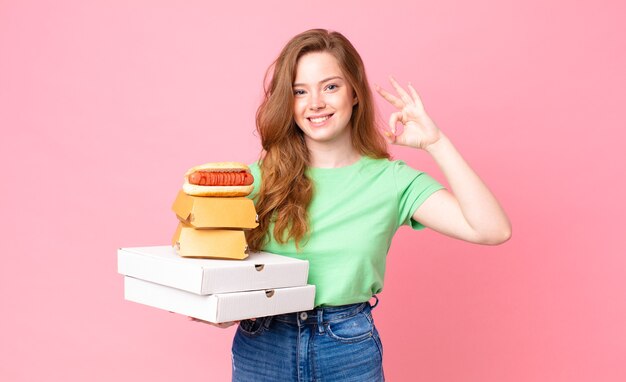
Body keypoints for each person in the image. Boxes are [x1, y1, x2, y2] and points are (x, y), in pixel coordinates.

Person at [193, 28, 511, 382]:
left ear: (355, 92)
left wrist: (436, 142)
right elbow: (202, 252)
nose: (315, 103)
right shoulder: (256, 180)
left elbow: (492, 229)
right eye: (300, 91)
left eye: (330, 86)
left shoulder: (392, 181)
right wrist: (213, 302)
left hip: (345, 345)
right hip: (263, 342)